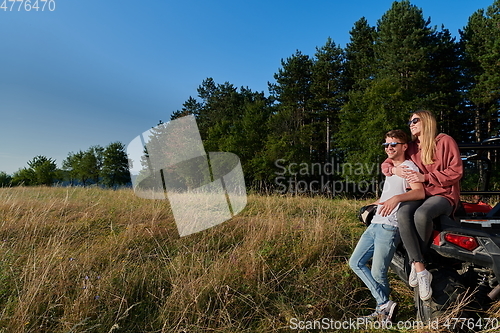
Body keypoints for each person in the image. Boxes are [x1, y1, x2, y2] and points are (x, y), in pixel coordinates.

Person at [382, 110, 463, 301]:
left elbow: (456, 171)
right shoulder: (411, 146)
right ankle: (419, 268)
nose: (411, 124)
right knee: (403, 213)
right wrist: (393, 169)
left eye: (415, 120)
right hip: (421, 194)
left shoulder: (444, 141)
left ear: (427, 121)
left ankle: (419, 260)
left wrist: (426, 177)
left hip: (443, 194)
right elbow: (386, 162)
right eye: (409, 121)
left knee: (422, 215)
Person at [349, 130, 425, 323]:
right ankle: (384, 304)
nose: (389, 147)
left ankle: (383, 312)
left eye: (394, 144)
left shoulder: (408, 167)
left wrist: (397, 198)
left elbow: (419, 192)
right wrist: (373, 205)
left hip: (390, 226)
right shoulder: (391, 167)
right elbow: (388, 195)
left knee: (377, 272)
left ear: (404, 146)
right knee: (355, 262)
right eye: (386, 144)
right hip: (375, 224)